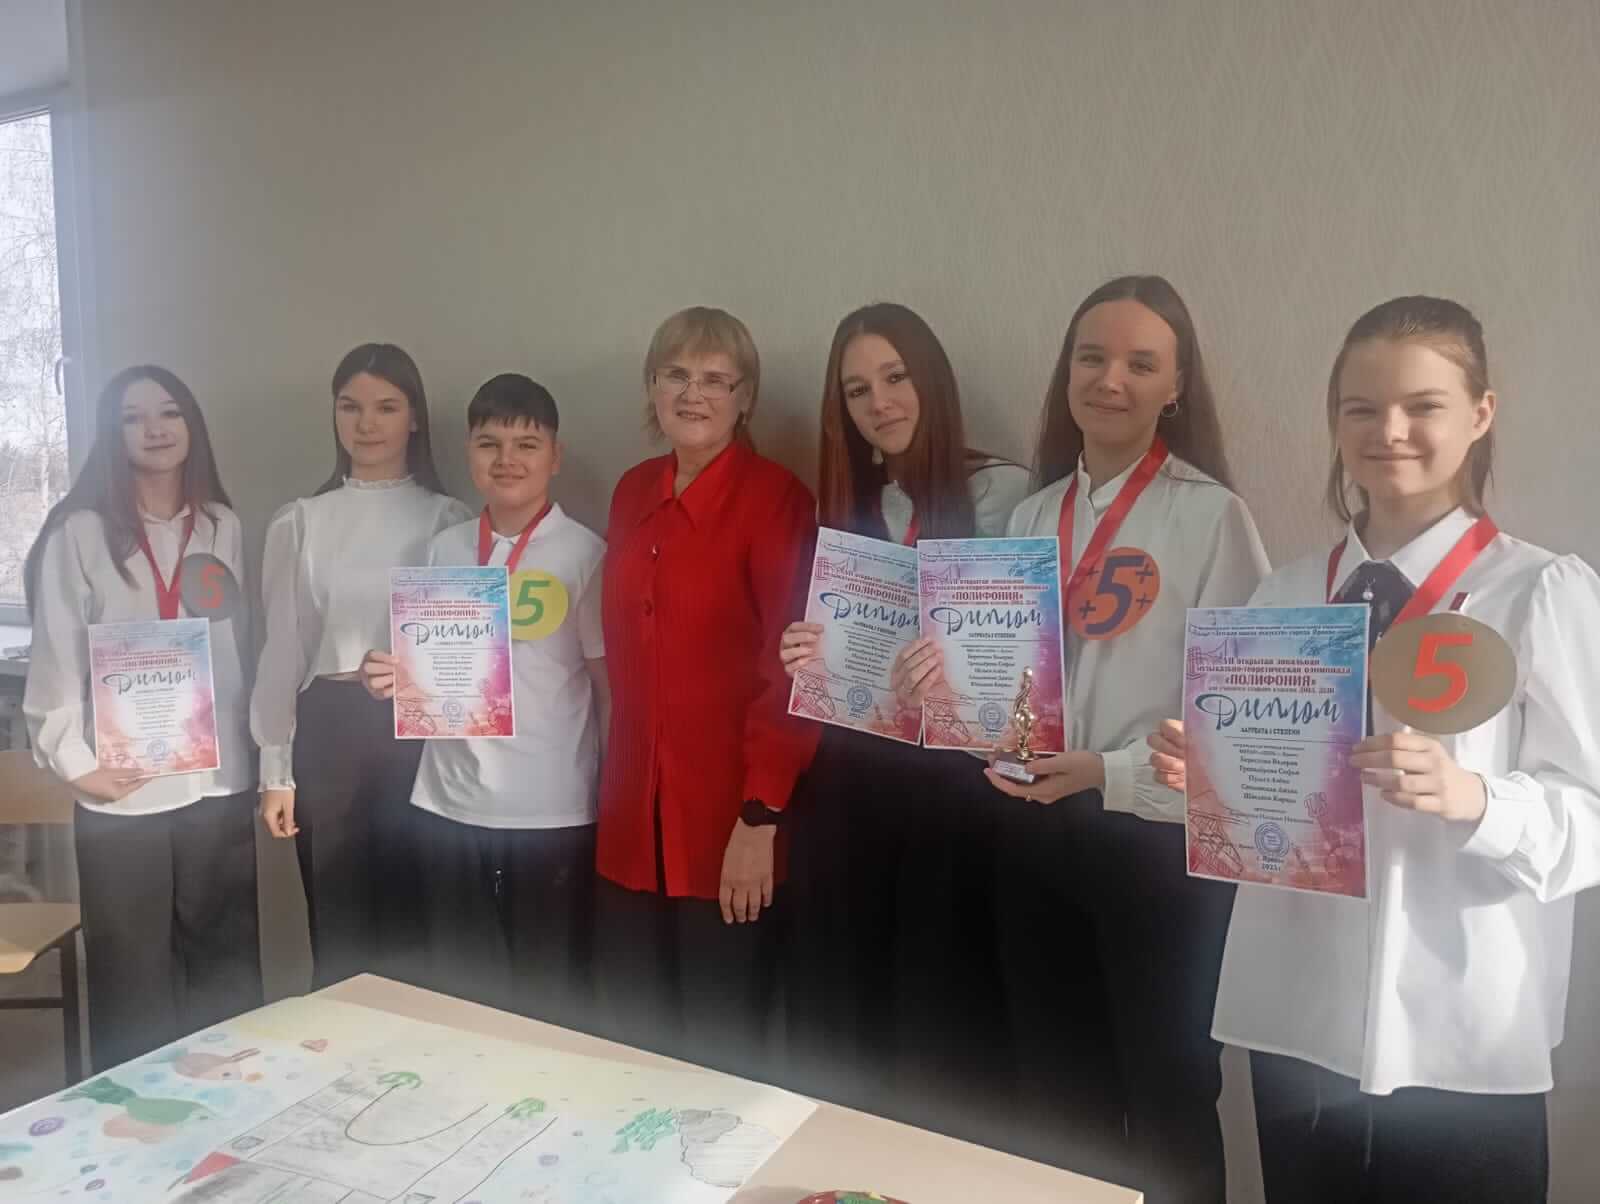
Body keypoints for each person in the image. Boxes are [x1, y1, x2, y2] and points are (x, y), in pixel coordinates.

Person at [1150, 295, 1600, 1204]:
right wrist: (1205, 777)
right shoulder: (1282, 595)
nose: (1388, 431)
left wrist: (1477, 799)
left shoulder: (1537, 592)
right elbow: (1252, 809)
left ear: (1480, 414)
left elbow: (1589, 816)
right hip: (1296, 1015)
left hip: (1459, 1029)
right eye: (1361, 408)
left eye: (1422, 406)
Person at [898, 276, 1268, 1200]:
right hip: (1030, 835)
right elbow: (1007, 691)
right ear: (1066, 372)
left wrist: (1106, 773)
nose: (1111, 380)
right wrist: (942, 693)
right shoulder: (1032, 515)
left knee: (1170, 1102)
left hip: (1157, 854)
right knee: (1056, 1099)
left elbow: (1237, 721)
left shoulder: (1212, 517)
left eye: (1141, 364)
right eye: (1092, 357)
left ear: (1176, 386)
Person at [776, 301, 1030, 1128]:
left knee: (943, 1028)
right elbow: (840, 649)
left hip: (960, 797)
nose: (878, 403)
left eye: (895, 377)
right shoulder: (852, 504)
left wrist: (960, 676)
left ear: (932, 381)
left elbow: (1034, 669)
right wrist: (806, 650)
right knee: (849, 1017)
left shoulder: (1005, 495)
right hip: (855, 785)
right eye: (857, 390)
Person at [595, 306, 819, 1078]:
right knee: (633, 1047)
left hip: (729, 824)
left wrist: (760, 818)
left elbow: (790, 670)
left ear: (745, 397)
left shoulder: (777, 499)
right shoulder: (630, 493)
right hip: (631, 820)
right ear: (652, 387)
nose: (694, 394)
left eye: (717, 379)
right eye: (677, 375)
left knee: (723, 1055)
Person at [23, 365, 261, 1068]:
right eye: (133, 417)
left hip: (216, 779)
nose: (154, 429)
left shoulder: (221, 525)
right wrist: (77, 765)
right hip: (122, 786)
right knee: (133, 979)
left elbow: (236, 646)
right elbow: (56, 657)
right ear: (112, 433)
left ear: (193, 426)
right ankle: (138, 1115)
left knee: (226, 963)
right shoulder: (80, 533)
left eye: (169, 412)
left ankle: (235, 1107)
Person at [360, 374, 606, 1029]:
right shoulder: (443, 548)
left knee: (549, 1003)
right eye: (489, 443)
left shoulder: (585, 554)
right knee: (458, 998)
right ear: (469, 453)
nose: (507, 459)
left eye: (527, 444)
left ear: (555, 456)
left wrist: (610, 788)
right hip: (447, 801)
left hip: (551, 807)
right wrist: (384, 677)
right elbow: (413, 667)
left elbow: (606, 685)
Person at [252, 343, 470, 988]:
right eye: (350, 407)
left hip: (418, 733)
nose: (367, 423)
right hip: (331, 733)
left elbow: (464, 654)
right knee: (339, 916)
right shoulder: (301, 522)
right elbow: (283, 651)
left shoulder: (449, 520)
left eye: (386, 407)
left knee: (420, 912)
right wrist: (276, 771)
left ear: (415, 418)